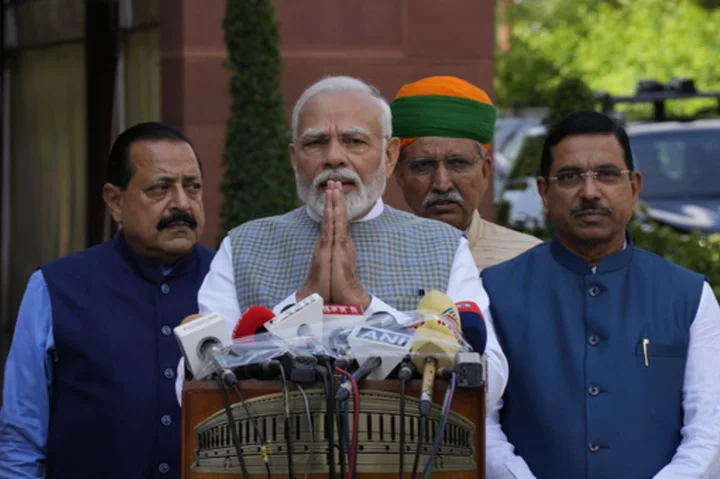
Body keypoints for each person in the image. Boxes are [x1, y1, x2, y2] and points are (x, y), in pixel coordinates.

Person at [190, 75, 508, 410]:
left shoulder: (443, 246)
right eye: (316, 143)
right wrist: (301, 303)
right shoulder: (243, 246)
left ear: (389, 156)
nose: (334, 158)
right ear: (294, 158)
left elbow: (492, 383)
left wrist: (366, 305)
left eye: (354, 141)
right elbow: (194, 386)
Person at [482, 111, 720, 478]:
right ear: (544, 192)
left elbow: (710, 428)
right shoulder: (493, 292)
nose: (590, 192)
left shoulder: (689, 296)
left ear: (635, 188)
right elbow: (482, 419)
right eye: (570, 176)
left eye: (607, 175)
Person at [0, 122, 215, 479]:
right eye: (160, 188)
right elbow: (21, 439)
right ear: (115, 201)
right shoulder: (55, 288)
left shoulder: (230, 281)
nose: (181, 203)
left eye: (192, 187)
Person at [390, 76, 541, 273]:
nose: (442, 184)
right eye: (423, 166)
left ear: (485, 172)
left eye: (458, 163)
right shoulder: (371, 261)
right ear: (399, 175)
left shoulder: (529, 259)